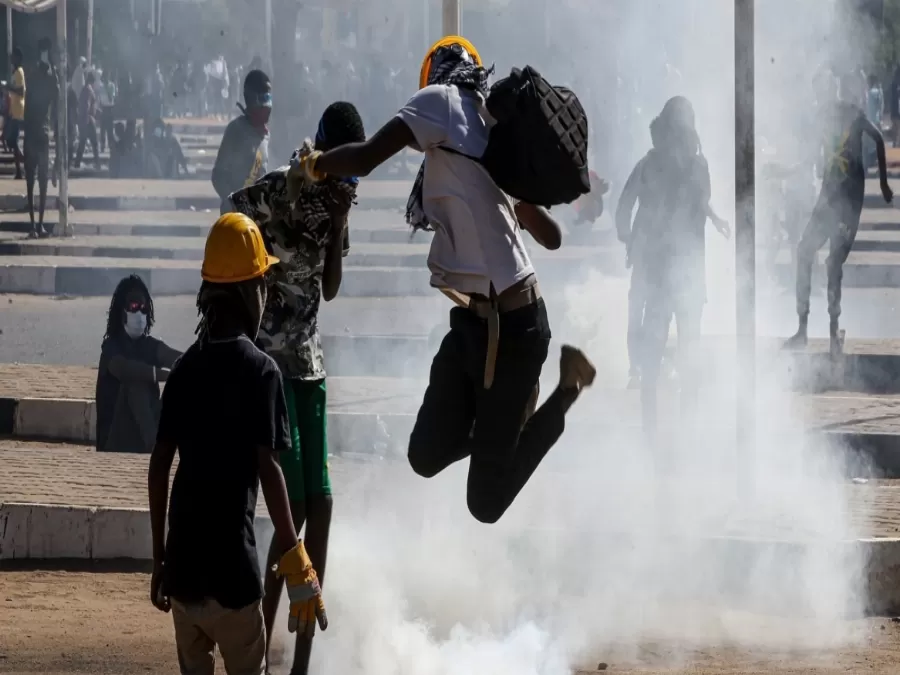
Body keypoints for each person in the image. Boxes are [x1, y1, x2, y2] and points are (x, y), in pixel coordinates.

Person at [295, 36, 597, 525]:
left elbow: (369, 156)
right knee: (424, 455)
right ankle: (503, 429)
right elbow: (555, 237)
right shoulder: (490, 137)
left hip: (515, 328)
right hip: (475, 322)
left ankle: (566, 389)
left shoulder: (441, 104)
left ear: (434, 75)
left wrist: (315, 165)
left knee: (485, 503)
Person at [148, 213, 327, 675]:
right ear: (251, 292)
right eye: (263, 282)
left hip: (183, 576)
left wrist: (159, 559)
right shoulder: (262, 372)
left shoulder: (185, 370)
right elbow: (268, 469)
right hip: (234, 578)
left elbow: (159, 465)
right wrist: (296, 560)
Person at [226, 101, 363, 675]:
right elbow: (235, 214)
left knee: (322, 504)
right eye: (341, 173)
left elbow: (330, 288)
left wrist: (336, 223)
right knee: (296, 510)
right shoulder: (285, 184)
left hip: (310, 366)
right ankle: (262, 640)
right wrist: (292, 195)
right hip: (274, 367)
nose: (346, 186)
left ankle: (303, 657)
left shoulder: (338, 205)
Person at [615, 97, 729, 426]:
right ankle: (670, 424)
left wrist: (630, 238)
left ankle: (664, 424)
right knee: (675, 351)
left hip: (675, 276)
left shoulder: (669, 165)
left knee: (674, 351)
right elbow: (625, 210)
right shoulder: (669, 165)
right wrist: (632, 239)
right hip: (668, 276)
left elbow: (625, 209)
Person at [784, 87, 894, 356]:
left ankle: (833, 334)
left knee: (833, 261)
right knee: (803, 251)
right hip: (827, 201)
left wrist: (883, 183)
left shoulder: (852, 115)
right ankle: (802, 328)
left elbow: (879, 139)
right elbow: (809, 159)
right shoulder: (822, 117)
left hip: (849, 204)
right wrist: (783, 171)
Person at [96, 275, 181, 454]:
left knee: (182, 384)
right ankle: (155, 448)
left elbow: (175, 358)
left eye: (144, 309)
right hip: (115, 440)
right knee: (136, 382)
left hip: (146, 429)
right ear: (122, 311)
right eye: (134, 307)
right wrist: (165, 375)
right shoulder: (111, 347)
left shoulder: (149, 345)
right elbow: (125, 369)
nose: (140, 314)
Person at [212, 69, 271, 211]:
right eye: (263, 99)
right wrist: (234, 203)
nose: (268, 106)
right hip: (235, 218)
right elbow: (218, 175)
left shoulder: (266, 135)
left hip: (257, 217)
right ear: (250, 100)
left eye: (269, 99)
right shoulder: (236, 130)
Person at [23, 38, 60, 238]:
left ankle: (36, 225)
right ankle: (36, 225)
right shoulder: (45, 77)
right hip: (39, 134)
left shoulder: (36, 76)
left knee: (35, 180)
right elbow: (57, 96)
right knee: (38, 180)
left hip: (35, 134)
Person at [74, 70, 100, 169]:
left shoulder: (85, 89)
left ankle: (77, 164)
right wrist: (87, 121)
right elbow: (86, 106)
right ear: (92, 81)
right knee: (94, 143)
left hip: (85, 120)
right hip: (89, 120)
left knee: (82, 143)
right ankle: (97, 164)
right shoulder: (88, 90)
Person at [6, 47, 25, 179]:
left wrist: (8, 87)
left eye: (14, 56)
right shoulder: (14, 73)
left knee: (12, 140)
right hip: (14, 111)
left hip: (18, 111)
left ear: (18, 58)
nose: (11, 59)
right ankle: (19, 170)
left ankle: (26, 163)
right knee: (12, 142)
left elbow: (21, 91)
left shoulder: (19, 72)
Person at [865, 74, 884, 172]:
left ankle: (871, 162)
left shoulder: (870, 93)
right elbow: (881, 106)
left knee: (870, 144)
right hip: (877, 120)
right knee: (878, 143)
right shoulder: (878, 92)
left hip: (870, 120)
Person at [96, 68, 116, 154]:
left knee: (110, 130)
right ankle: (102, 146)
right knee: (103, 129)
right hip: (103, 109)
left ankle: (111, 147)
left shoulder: (111, 85)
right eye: (105, 76)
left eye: (107, 76)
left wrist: (108, 92)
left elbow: (112, 98)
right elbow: (99, 99)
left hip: (110, 108)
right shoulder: (100, 87)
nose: (106, 78)